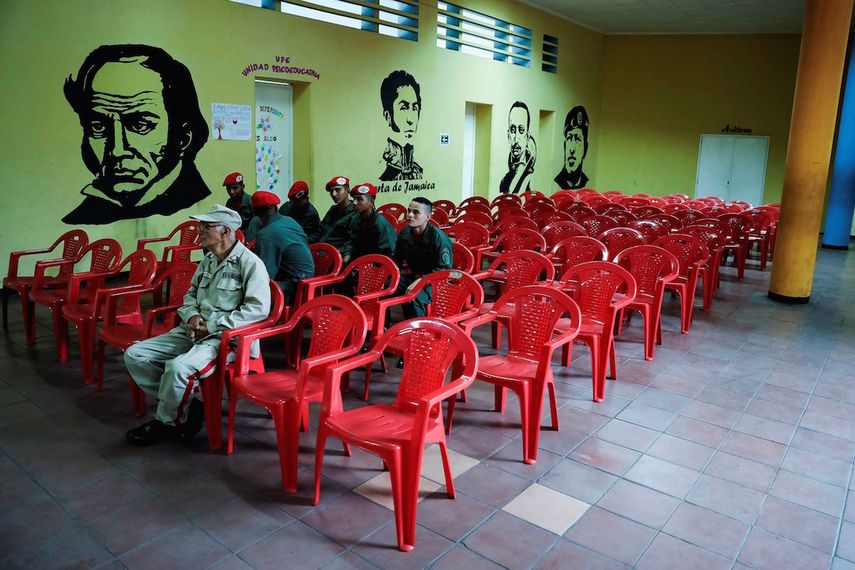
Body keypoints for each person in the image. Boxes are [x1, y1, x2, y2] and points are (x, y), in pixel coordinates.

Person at [124, 205, 271, 446]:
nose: (199, 231)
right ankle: (188, 404)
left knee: (178, 368)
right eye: (200, 226)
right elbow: (190, 295)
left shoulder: (250, 264)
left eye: (206, 227)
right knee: (136, 355)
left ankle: (168, 423)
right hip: (192, 331)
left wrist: (211, 325)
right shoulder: (208, 261)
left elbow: (257, 310)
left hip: (226, 339)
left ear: (225, 231)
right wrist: (192, 316)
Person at [63, 44, 210, 224]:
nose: (117, 150)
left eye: (140, 125)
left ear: (183, 138)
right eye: (98, 127)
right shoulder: (84, 215)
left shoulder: (194, 204)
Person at [250, 190, 315, 304]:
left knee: (250, 290)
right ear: (275, 207)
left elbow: (265, 274)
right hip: (308, 276)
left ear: (255, 212)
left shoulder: (267, 234)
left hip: (295, 283)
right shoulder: (288, 220)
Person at [394, 197, 453, 320]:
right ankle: (382, 328)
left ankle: (418, 332)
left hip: (436, 281)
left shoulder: (439, 238)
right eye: (409, 210)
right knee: (386, 286)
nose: (410, 215)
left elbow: (444, 270)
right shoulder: (404, 233)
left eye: (416, 212)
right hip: (412, 275)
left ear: (428, 217)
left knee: (414, 297)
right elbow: (397, 259)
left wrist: (421, 280)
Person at [379, 70, 424, 181]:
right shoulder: (382, 168)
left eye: (414, 108)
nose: (411, 119)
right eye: (403, 108)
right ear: (388, 116)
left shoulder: (418, 170)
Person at [348, 182, 397, 262]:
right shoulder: (355, 219)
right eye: (354, 199)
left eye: (360, 199)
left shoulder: (380, 223)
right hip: (360, 261)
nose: (354, 203)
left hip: (379, 264)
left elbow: (388, 253)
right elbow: (352, 244)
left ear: (371, 203)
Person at [499, 101, 537, 195]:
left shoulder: (530, 177)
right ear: (508, 135)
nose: (516, 137)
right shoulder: (506, 178)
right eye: (512, 129)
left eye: (521, 130)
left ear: (527, 137)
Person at [319, 175, 356, 258]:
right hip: (322, 250)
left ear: (348, 191)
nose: (334, 194)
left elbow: (352, 242)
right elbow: (321, 230)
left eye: (338, 190)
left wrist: (340, 252)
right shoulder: (333, 210)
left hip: (338, 254)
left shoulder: (355, 212)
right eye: (331, 191)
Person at [554, 105, 590, 190]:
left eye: (577, 139)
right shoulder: (558, 181)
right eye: (569, 138)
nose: (572, 149)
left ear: (585, 149)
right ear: (564, 146)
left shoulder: (585, 182)